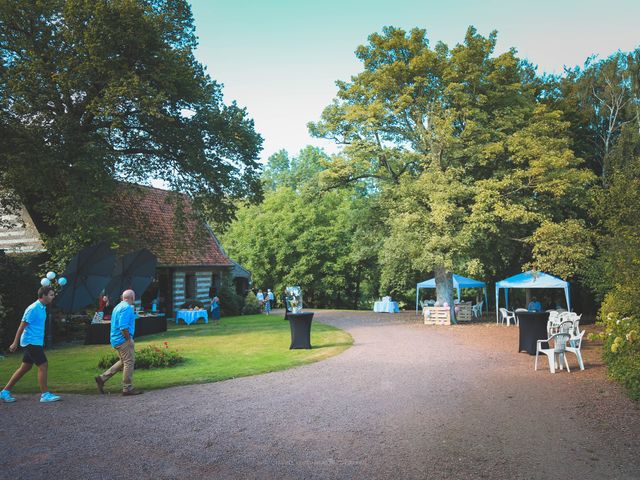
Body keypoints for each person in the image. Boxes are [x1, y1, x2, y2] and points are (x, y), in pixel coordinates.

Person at [1, 286, 61, 403]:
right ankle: (45, 395)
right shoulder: (33, 308)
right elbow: (21, 327)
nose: (53, 297)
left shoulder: (42, 307)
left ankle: (5, 391)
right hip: (30, 341)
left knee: (25, 367)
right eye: (51, 295)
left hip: (35, 342)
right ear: (43, 296)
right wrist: (15, 342)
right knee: (43, 365)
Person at [94, 289, 143, 396]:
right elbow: (123, 326)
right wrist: (128, 339)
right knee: (129, 362)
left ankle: (102, 378)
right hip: (123, 340)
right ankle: (127, 388)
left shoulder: (118, 306)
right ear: (132, 298)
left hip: (116, 339)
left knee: (123, 361)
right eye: (134, 296)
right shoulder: (127, 308)